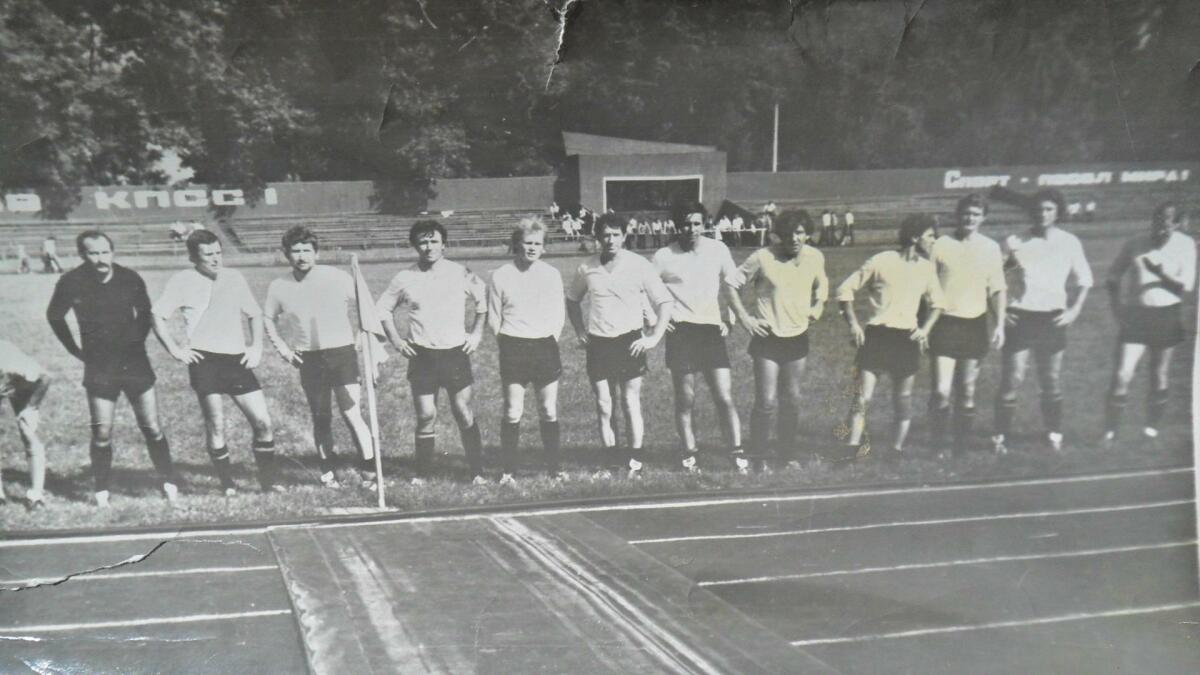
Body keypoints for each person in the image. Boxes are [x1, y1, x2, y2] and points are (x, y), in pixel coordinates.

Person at [46, 230, 179, 507]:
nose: (100, 259)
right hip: (99, 366)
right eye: (93, 253)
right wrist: (74, 349)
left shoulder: (130, 278)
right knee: (102, 434)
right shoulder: (71, 282)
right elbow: (55, 315)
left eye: (105, 252)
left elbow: (145, 313)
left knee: (152, 427)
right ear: (82, 255)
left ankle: (169, 482)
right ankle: (101, 491)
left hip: (134, 363)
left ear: (112, 252)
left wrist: (134, 342)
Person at [151, 230, 280, 495]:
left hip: (236, 359)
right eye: (208, 255)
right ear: (193, 257)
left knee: (263, 422)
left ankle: (268, 483)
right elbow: (157, 315)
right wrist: (175, 350)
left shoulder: (234, 278)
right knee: (216, 425)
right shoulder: (182, 280)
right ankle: (228, 484)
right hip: (204, 360)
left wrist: (255, 347)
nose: (215, 259)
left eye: (218, 253)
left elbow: (254, 314)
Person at [264, 226, 378, 489]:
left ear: (316, 252)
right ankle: (328, 472)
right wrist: (284, 350)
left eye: (307, 250)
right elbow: (268, 318)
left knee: (351, 413)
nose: (301, 256)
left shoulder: (336, 277)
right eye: (295, 251)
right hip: (309, 358)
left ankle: (369, 472)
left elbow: (367, 307)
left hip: (341, 353)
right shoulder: (279, 286)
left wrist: (361, 335)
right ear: (286, 254)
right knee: (321, 416)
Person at [378, 220, 488, 483]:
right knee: (426, 415)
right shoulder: (405, 277)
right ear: (415, 246)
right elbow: (382, 309)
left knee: (462, 411)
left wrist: (476, 334)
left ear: (444, 244)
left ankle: (477, 473)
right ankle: (423, 474)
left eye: (434, 241)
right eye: (423, 242)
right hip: (422, 355)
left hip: (454, 353)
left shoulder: (461, 273)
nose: (429, 247)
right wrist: (397, 341)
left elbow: (483, 301)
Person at [567, 213, 673, 476]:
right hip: (599, 343)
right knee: (604, 405)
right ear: (597, 237)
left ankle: (635, 461)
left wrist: (654, 337)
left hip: (629, 341)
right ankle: (610, 461)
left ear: (624, 236)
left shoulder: (639, 265)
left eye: (616, 234)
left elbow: (664, 301)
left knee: (630, 402)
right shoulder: (587, 267)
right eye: (605, 235)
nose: (610, 240)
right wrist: (580, 330)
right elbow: (572, 300)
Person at [993, 189, 1093, 453]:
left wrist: (1074, 311)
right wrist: (1000, 313)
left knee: (1050, 380)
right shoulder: (1015, 241)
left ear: (1058, 212)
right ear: (1031, 212)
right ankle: (1000, 436)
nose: (1043, 214)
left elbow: (1085, 280)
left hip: (1052, 319)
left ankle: (1053, 433)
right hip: (1021, 317)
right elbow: (993, 280)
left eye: (1049, 209)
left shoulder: (1070, 242)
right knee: (1012, 379)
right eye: (1038, 209)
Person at [837, 214, 945, 457]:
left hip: (906, 339)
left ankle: (895, 450)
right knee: (862, 398)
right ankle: (851, 448)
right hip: (877, 337)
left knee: (903, 399)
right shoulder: (882, 261)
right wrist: (853, 324)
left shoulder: (926, 269)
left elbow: (938, 303)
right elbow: (845, 289)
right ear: (915, 237)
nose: (933, 241)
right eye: (930, 236)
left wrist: (925, 330)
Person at [728, 210, 827, 469]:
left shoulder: (815, 257)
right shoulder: (762, 257)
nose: (794, 239)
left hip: (797, 336)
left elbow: (822, 284)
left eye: (800, 233)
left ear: (807, 234)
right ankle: (759, 458)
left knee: (792, 400)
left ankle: (787, 455)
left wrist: (819, 305)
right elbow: (731, 284)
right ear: (779, 235)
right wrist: (746, 319)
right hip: (768, 338)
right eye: (788, 234)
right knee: (766, 401)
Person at [653, 203, 744, 473]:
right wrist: (658, 319)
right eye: (685, 223)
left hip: (710, 331)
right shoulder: (663, 256)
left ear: (704, 224)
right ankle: (689, 454)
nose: (690, 229)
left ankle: (736, 452)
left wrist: (730, 318)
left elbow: (733, 284)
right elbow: (644, 289)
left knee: (724, 396)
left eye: (696, 223)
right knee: (686, 399)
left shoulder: (719, 250)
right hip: (681, 332)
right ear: (676, 225)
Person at [1102, 202, 1196, 447]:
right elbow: (1112, 277)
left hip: (1166, 315)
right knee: (1122, 374)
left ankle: (1150, 430)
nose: (1162, 225)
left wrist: (1159, 274)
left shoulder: (1186, 245)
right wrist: (1117, 307)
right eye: (1159, 219)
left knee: (1159, 374)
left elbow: (1185, 287)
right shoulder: (1135, 243)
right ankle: (1110, 432)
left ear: (1177, 224)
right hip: (1136, 316)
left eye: (1168, 220)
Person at [488, 218, 567, 483]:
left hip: (544, 346)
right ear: (517, 244)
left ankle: (555, 470)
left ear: (544, 247)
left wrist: (550, 339)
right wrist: (506, 341)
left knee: (548, 410)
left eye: (537, 243)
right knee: (512, 411)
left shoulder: (551, 274)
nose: (532, 248)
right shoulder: (501, 275)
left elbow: (558, 313)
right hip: (513, 346)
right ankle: (508, 471)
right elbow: (494, 317)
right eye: (527, 242)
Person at [927, 194, 1007, 453]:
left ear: (983, 218)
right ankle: (938, 445)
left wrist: (1000, 324)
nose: (970, 218)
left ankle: (961, 446)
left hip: (974, 325)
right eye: (966, 214)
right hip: (944, 325)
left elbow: (997, 289)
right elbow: (925, 284)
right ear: (958, 215)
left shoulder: (990, 248)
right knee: (941, 391)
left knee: (967, 390)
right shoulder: (941, 245)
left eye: (975, 214)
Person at [0, 340, 51, 509]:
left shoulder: (12, 363)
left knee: (27, 431)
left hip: (20, 385)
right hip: (5, 381)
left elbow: (45, 377)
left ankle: (36, 495)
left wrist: (31, 406)